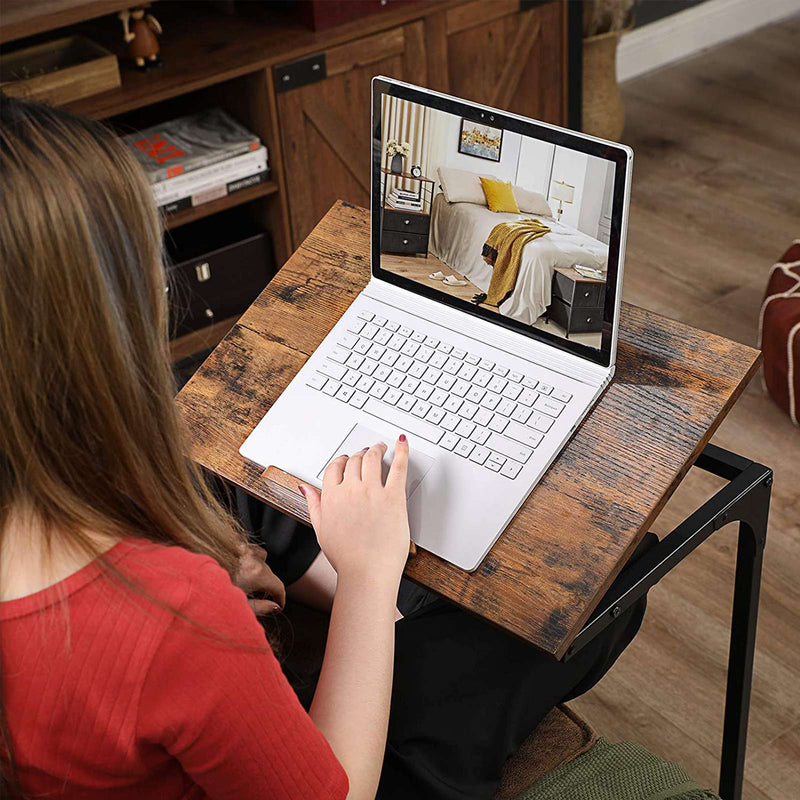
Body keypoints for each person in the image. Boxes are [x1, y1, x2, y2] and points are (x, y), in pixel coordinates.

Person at [0, 93, 651, 800]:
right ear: (98, 324)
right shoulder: (176, 616)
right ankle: (391, 598)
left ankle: (381, 587)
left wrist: (223, 565)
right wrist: (368, 580)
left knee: (217, 476)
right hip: (347, 771)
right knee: (616, 574)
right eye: (146, 267)